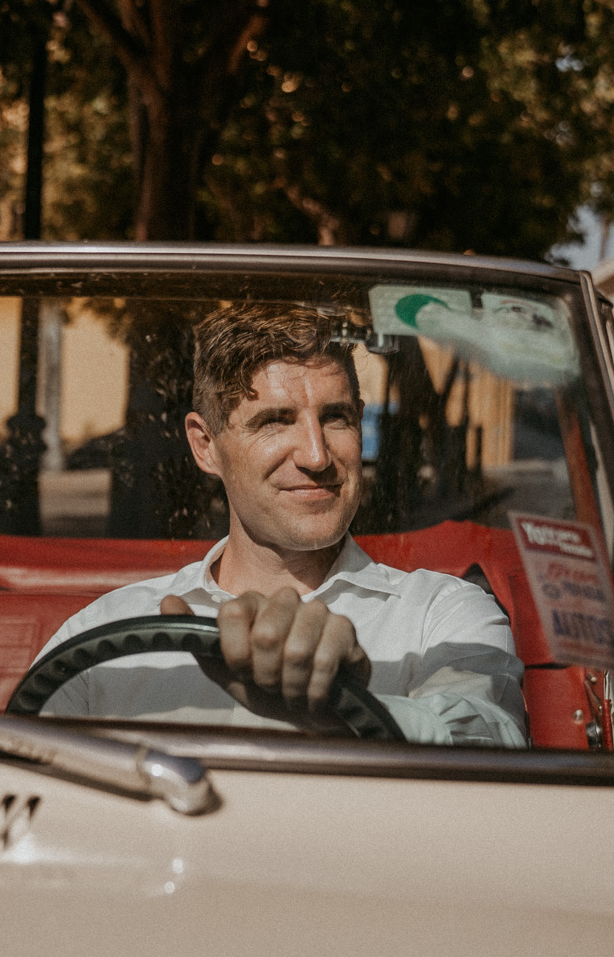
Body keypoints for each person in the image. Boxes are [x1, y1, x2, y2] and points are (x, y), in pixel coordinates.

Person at [33, 304, 528, 746]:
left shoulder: (441, 616)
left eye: (335, 418)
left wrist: (339, 715)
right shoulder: (105, 630)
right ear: (205, 446)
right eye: (274, 421)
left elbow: (488, 741)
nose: (316, 455)